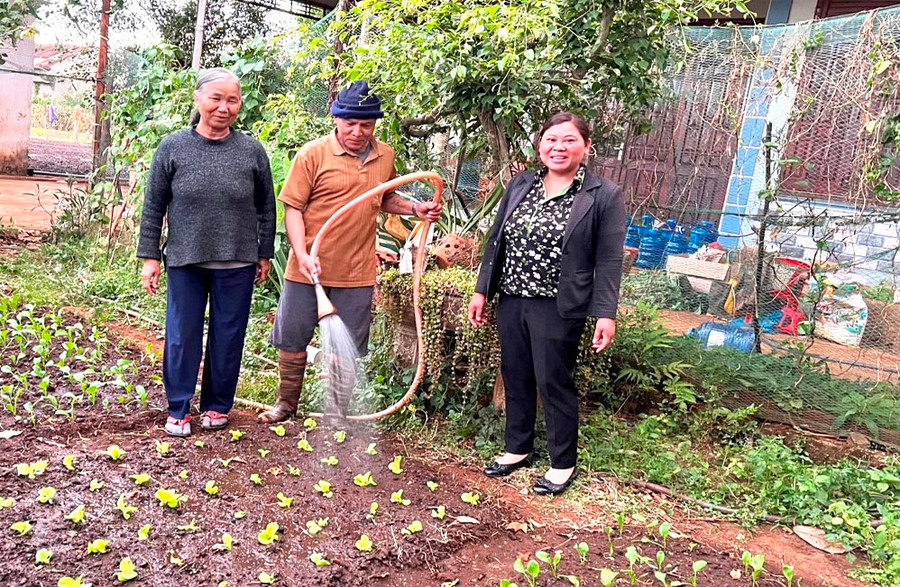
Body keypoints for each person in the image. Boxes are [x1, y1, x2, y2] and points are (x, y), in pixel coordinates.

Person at [259, 80, 442, 423]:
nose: (358, 132)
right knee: (293, 336)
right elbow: (293, 209)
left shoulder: (385, 155)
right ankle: (286, 406)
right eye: (350, 124)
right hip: (308, 266)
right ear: (335, 118)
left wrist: (415, 209)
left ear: (375, 124)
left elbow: (385, 196)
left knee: (347, 348)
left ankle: (337, 412)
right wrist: (301, 253)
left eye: (367, 125)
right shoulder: (313, 154)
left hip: (356, 271)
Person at [467, 112, 625, 495]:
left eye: (569, 140)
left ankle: (562, 462)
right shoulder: (521, 184)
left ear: (586, 147)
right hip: (513, 296)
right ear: (540, 145)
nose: (559, 147)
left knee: (553, 380)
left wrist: (606, 313)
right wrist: (482, 289)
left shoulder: (603, 195)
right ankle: (517, 448)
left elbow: (608, 259)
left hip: (559, 304)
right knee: (515, 371)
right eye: (551, 139)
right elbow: (496, 240)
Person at [138, 67, 276, 437]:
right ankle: (179, 406)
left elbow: (267, 206)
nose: (224, 107)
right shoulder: (173, 148)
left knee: (229, 334)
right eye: (216, 98)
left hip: (238, 260)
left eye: (232, 100)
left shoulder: (251, 151)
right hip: (186, 259)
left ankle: (217, 405)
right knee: (182, 335)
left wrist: (264, 253)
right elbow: (154, 206)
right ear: (198, 99)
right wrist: (150, 256)